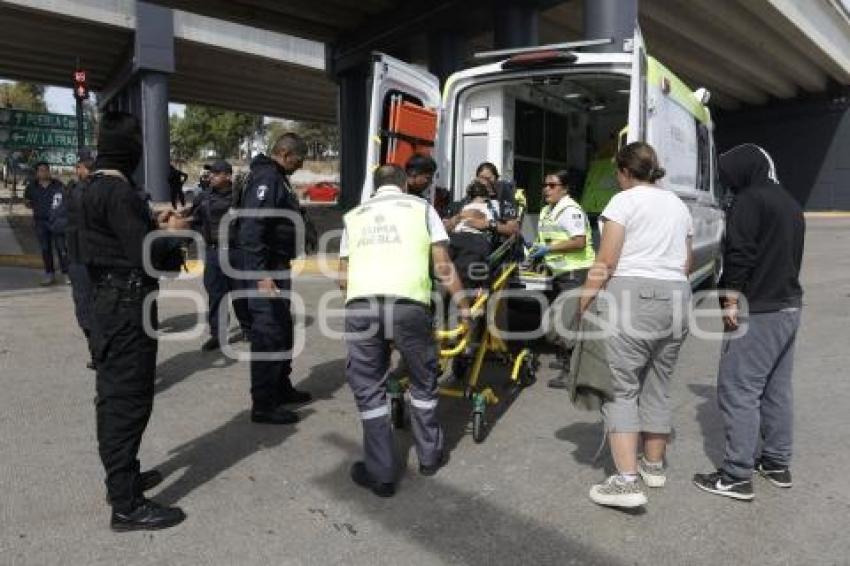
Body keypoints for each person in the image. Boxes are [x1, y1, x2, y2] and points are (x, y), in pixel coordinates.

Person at [78, 111, 187, 530]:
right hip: (127, 307)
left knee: (114, 397)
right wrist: (173, 231)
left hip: (108, 302)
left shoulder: (92, 188)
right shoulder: (118, 192)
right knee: (127, 401)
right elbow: (148, 255)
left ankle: (122, 478)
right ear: (129, 150)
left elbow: (117, 241)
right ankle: (125, 505)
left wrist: (149, 222)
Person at [338, 164, 470, 497]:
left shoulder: (353, 216)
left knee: (369, 389)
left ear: (376, 186)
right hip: (409, 307)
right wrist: (464, 306)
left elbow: (343, 277)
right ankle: (429, 456)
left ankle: (381, 473)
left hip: (362, 307)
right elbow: (442, 265)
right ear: (403, 184)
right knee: (423, 380)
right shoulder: (422, 209)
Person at [576, 142, 692, 509]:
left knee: (621, 388)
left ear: (625, 171)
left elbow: (607, 259)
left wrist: (584, 299)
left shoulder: (623, 202)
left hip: (634, 296)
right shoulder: (677, 204)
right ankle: (653, 466)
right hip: (678, 296)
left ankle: (626, 482)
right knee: (658, 383)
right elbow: (686, 261)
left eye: (617, 172)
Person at [693, 144, 804, 501]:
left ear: (742, 170)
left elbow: (740, 255)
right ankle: (775, 462)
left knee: (737, 389)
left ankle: (737, 475)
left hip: (757, 309)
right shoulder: (789, 202)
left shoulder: (749, 201)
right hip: (788, 305)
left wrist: (729, 301)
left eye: (728, 176)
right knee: (776, 388)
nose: (727, 184)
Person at [237, 133, 312, 425]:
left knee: (282, 329)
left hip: (278, 266)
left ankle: (281, 387)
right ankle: (264, 404)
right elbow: (252, 228)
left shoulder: (276, 177)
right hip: (265, 269)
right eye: (299, 158)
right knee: (268, 334)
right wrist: (261, 274)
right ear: (285, 152)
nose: (301, 163)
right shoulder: (266, 178)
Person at [527, 170, 596, 389]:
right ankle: (568, 360)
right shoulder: (548, 210)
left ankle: (572, 372)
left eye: (552, 185)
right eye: (545, 184)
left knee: (558, 325)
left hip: (576, 273)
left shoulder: (571, 210)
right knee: (564, 322)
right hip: (560, 274)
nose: (546, 188)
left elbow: (579, 242)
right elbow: (545, 239)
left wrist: (548, 249)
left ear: (564, 189)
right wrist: (538, 256)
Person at [188, 159, 252, 351]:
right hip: (214, 252)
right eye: (210, 173)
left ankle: (248, 328)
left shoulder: (241, 196)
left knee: (240, 293)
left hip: (236, 252)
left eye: (216, 173)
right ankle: (218, 334)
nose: (211, 177)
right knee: (216, 295)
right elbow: (195, 220)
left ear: (227, 176)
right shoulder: (204, 197)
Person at [65, 149, 97, 369]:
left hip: (89, 260)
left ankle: (100, 356)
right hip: (80, 259)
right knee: (87, 310)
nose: (79, 170)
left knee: (89, 310)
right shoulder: (72, 191)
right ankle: (98, 354)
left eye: (81, 167)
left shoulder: (89, 192)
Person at [23, 162, 68, 285]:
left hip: (56, 222)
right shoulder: (31, 187)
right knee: (45, 249)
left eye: (45, 170)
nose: (44, 172)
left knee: (61, 248)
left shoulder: (58, 185)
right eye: (41, 170)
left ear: (49, 171)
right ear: (37, 173)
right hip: (40, 222)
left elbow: (66, 200)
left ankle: (66, 273)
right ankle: (49, 274)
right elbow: (27, 201)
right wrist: (34, 206)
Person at [448, 180, 495, 288]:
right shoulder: (485, 207)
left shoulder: (465, 207)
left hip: (457, 236)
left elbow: (458, 225)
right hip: (476, 239)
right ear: (485, 197)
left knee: (455, 266)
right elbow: (487, 223)